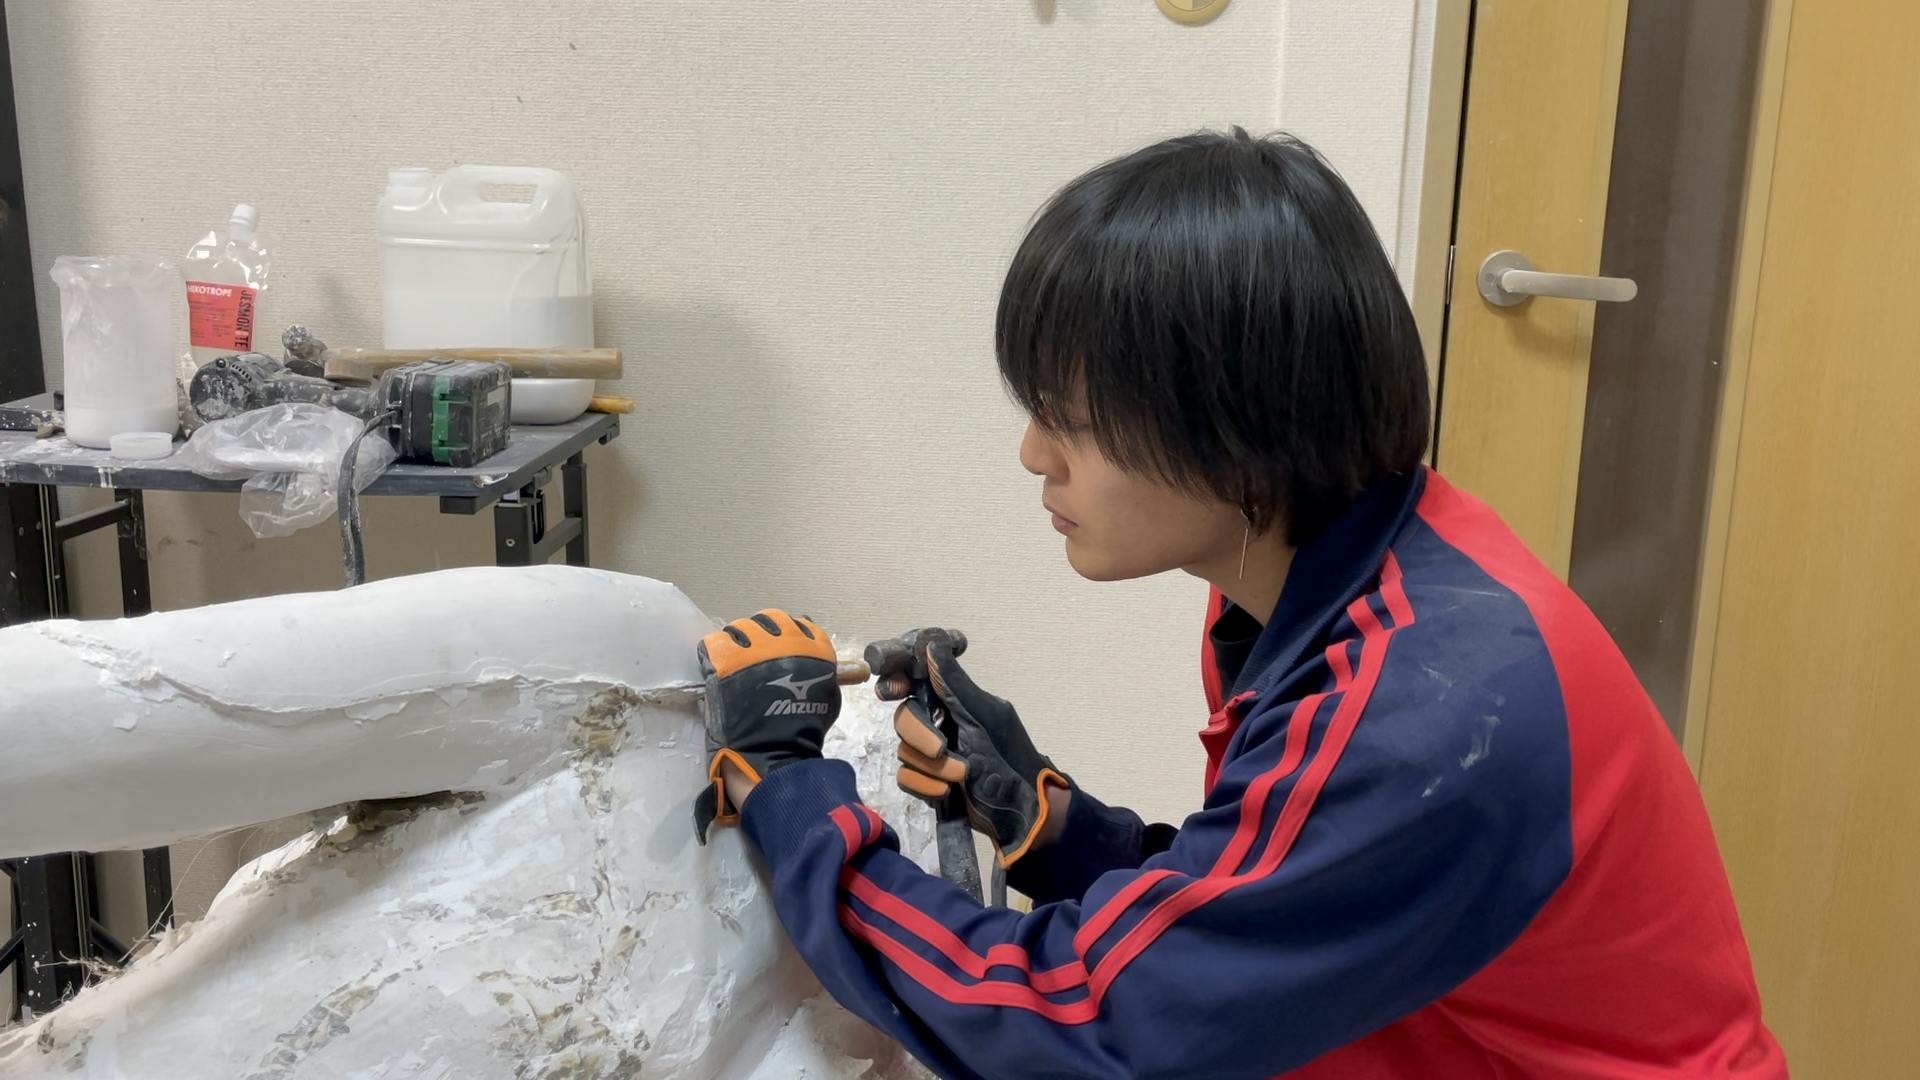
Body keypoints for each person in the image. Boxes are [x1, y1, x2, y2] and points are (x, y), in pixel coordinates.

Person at [688, 129, 1785, 1078]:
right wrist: (1057, 829)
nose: (1034, 454)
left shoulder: (1415, 705)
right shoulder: (1314, 584)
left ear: (1240, 421)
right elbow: (1291, 909)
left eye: (1072, 418)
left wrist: (794, 802)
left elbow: (1080, 1030)